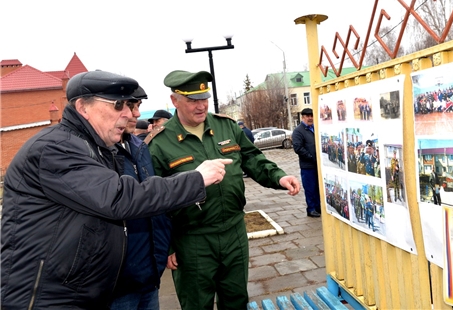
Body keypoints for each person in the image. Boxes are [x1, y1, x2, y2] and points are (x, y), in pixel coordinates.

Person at [0, 70, 228, 309]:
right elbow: (120, 197)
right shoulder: (57, 148)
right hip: (48, 297)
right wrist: (196, 179)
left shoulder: (97, 147)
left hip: (83, 290)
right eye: (118, 105)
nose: (129, 114)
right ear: (83, 107)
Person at [146, 70, 300, 310]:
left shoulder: (226, 127)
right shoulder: (159, 143)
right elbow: (153, 200)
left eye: (204, 99)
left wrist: (279, 177)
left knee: (236, 300)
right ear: (175, 100)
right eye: (192, 101)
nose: (201, 106)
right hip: (192, 239)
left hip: (234, 231)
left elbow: (253, 159)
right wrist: (167, 247)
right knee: (197, 303)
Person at [109, 86, 171, 309]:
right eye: (130, 106)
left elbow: (156, 205)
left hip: (149, 272)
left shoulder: (140, 147)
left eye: (137, 107)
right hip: (119, 282)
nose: (136, 114)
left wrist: (166, 248)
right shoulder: (100, 152)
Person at [292, 108, 322, 218]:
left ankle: (318, 207)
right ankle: (311, 209)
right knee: (310, 188)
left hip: (318, 165)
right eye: (307, 116)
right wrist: (311, 157)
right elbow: (298, 148)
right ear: (303, 117)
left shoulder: (316, 128)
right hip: (308, 165)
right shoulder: (298, 131)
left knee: (318, 188)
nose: (310, 118)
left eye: (311, 115)